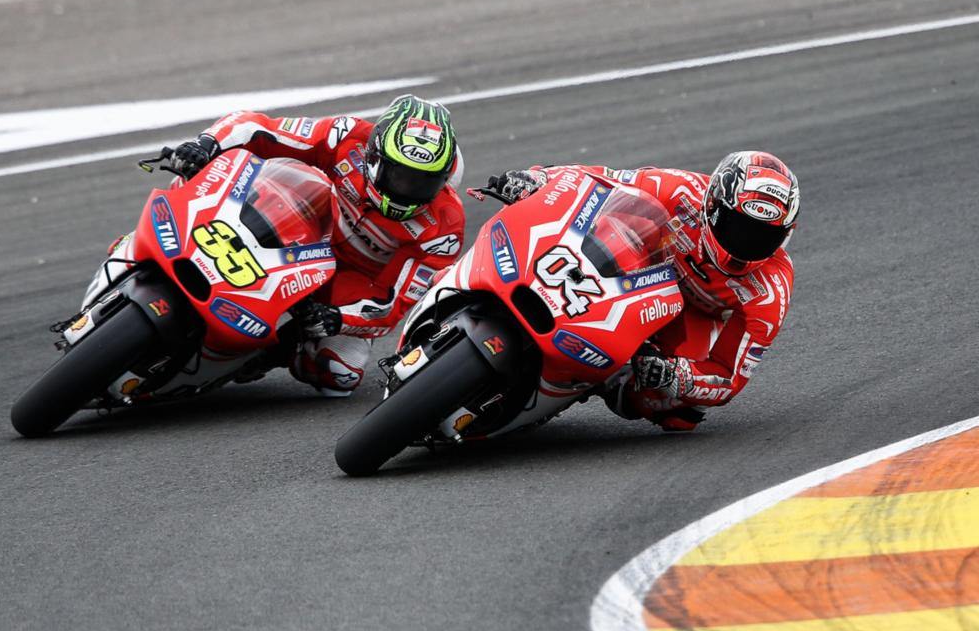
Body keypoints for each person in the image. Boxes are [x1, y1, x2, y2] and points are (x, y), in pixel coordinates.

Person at [169, 95, 466, 395]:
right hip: (303, 228)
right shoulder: (347, 136)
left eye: (423, 182)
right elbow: (262, 128)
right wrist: (207, 144)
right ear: (376, 156)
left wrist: (338, 319)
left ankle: (279, 349)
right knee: (238, 180)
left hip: (352, 280)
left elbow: (394, 303)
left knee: (341, 374)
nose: (408, 190)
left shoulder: (445, 228)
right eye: (400, 176)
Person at [487, 151, 799, 430]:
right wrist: (539, 179)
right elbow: (600, 180)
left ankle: (600, 380)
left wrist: (676, 375)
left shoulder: (770, 291)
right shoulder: (682, 190)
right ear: (713, 205)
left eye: (763, 237)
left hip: (692, 315)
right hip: (640, 266)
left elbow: (728, 375)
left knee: (679, 411)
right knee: (613, 221)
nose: (746, 244)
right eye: (738, 227)